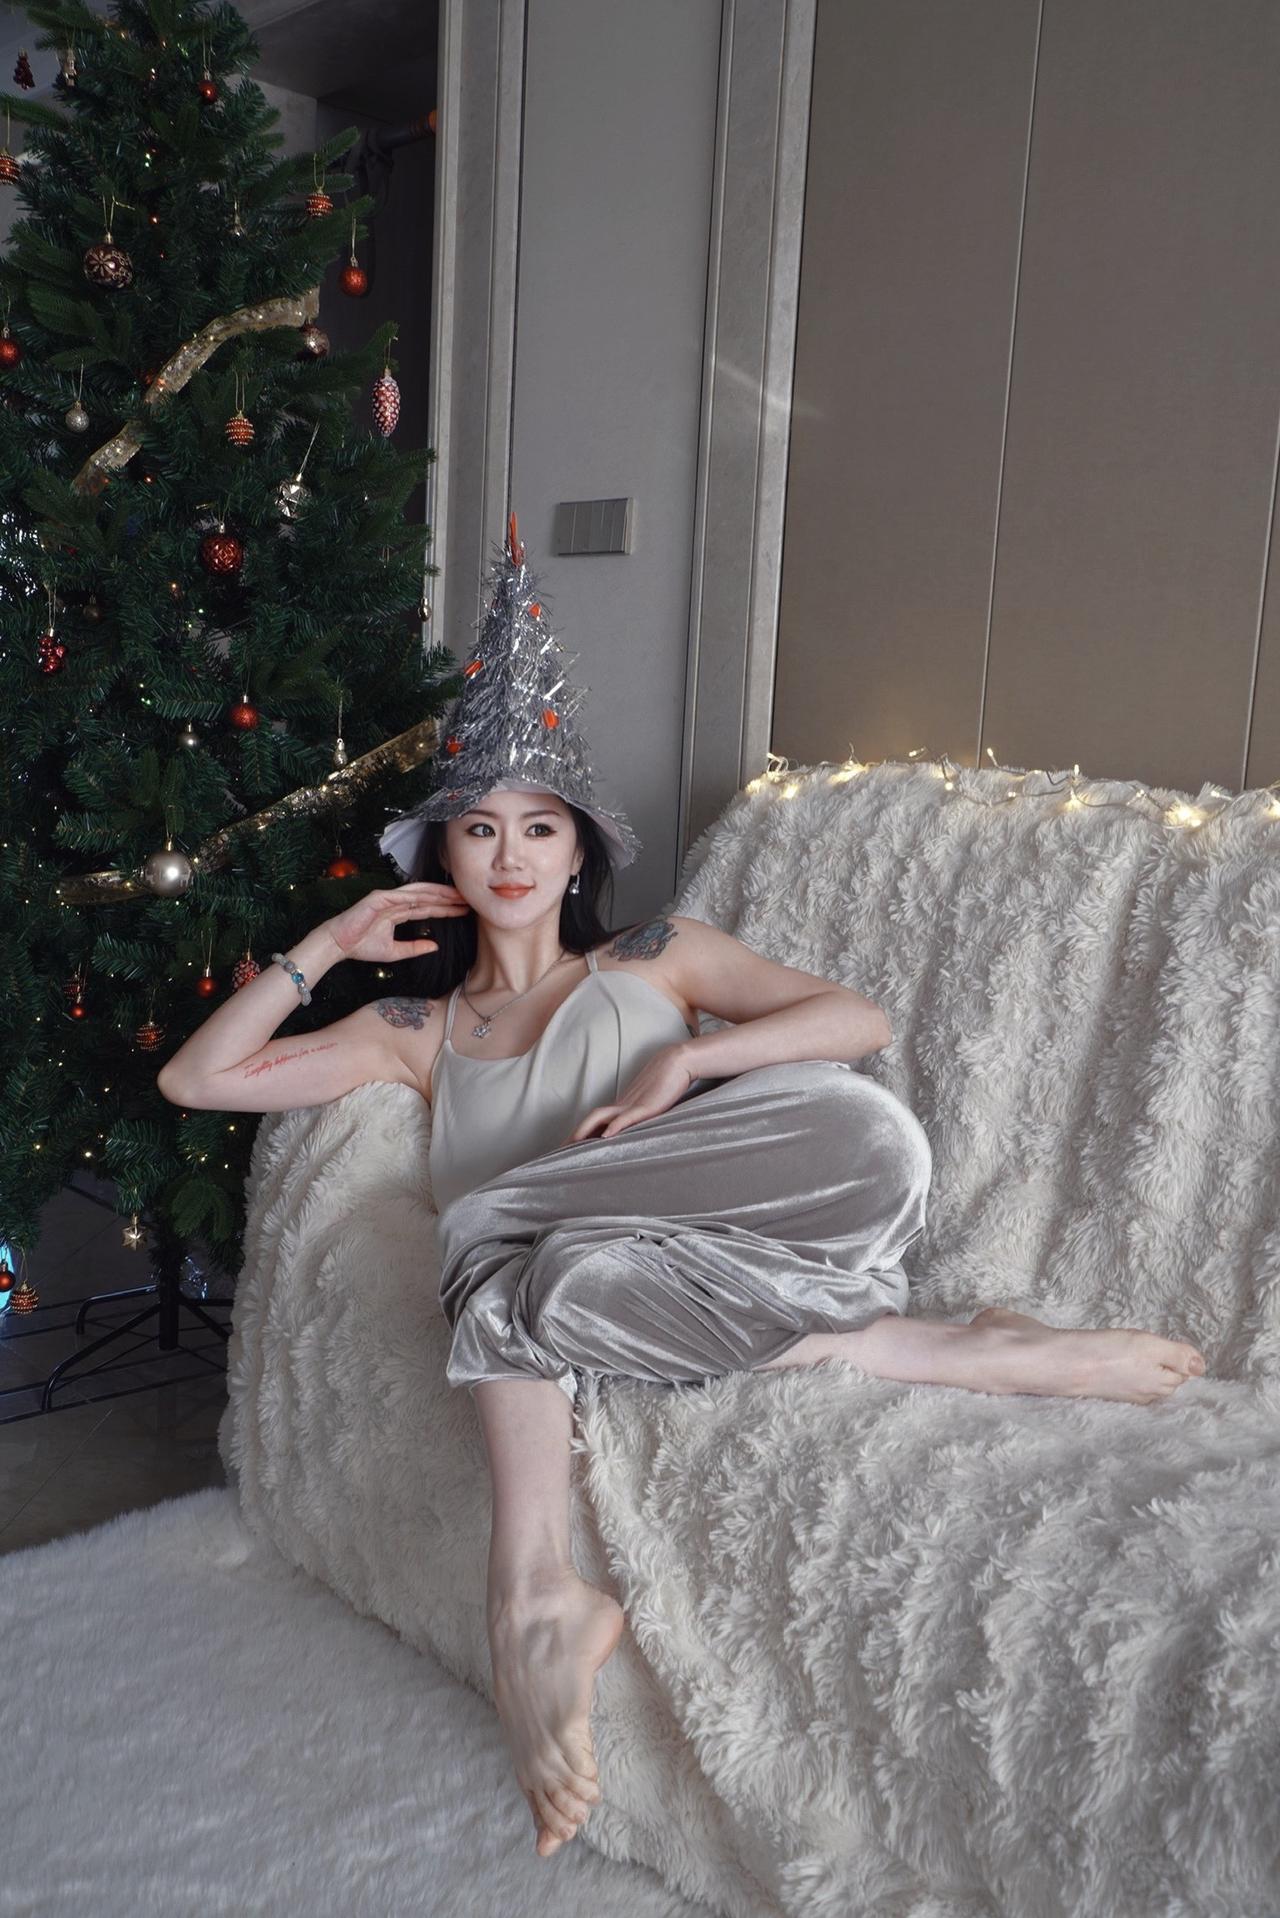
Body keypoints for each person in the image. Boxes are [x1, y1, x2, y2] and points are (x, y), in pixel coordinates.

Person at [157, 516, 1208, 1862]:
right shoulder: (415, 1032)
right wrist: (332, 942)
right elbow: (200, 1078)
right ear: (445, 860)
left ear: (578, 851)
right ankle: (939, 1356)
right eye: (479, 829)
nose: (511, 855)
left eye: (539, 827)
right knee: (533, 1276)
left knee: (515, 1219)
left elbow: (857, 1024)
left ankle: (534, 1598)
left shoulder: (657, 955)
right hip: (617, 1280)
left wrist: (687, 1066)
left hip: (797, 1184)